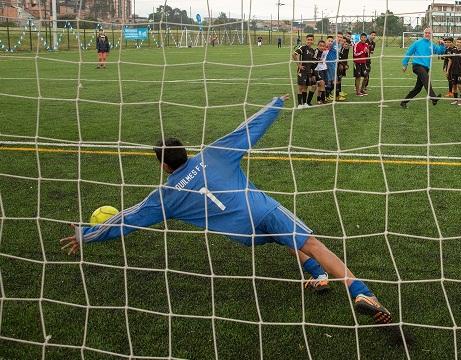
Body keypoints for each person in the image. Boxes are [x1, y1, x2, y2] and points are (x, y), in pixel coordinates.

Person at [59, 95, 393, 325]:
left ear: (163, 166)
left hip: (242, 233)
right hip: (261, 209)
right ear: (185, 152)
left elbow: (129, 219)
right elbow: (246, 131)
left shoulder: (167, 196)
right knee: (311, 243)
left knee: (284, 240)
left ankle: (318, 276)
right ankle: (360, 291)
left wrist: (85, 235)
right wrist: (275, 105)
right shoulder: (213, 154)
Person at [399, 27, 446, 108]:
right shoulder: (417, 43)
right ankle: (433, 97)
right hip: (417, 66)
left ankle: (403, 102)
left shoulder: (432, 45)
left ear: (432, 35)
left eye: (429, 33)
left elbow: (440, 51)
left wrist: (442, 45)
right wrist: (404, 64)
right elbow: (408, 52)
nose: (427, 34)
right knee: (426, 78)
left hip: (425, 68)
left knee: (418, 88)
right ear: (423, 34)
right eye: (426, 33)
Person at [292, 34, 317, 108]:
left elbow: (312, 62)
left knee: (306, 87)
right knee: (300, 87)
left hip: (308, 71)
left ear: (313, 40)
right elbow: (294, 54)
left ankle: (305, 103)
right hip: (302, 71)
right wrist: (299, 65)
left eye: (311, 39)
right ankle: (299, 104)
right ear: (306, 40)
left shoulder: (312, 50)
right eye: (308, 39)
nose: (309, 41)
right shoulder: (302, 48)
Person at [447, 37, 461, 106]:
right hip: (453, 72)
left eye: (460, 42)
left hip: (460, 72)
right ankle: (455, 100)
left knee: (460, 86)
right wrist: (447, 71)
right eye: (457, 42)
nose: (458, 43)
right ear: (455, 43)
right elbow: (450, 61)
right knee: (454, 86)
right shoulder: (453, 50)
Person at [337, 33, 350, 99]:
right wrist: (344, 65)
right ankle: (337, 93)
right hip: (340, 66)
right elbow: (339, 59)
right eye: (343, 42)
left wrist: (346, 64)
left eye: (346, 43)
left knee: (340, 78)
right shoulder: (340, 49)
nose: (345, 44)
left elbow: (345, 59)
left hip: (343, 65)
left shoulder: (346, 49)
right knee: (338, 79)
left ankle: (339, 92)